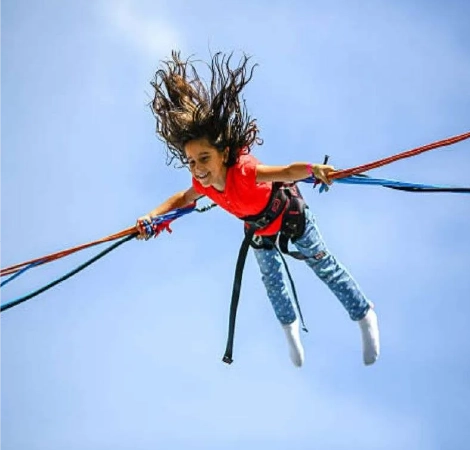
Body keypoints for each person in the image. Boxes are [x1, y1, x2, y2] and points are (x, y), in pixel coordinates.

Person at [136, 51, 380, 367]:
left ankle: (364, 315)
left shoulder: (245, 171)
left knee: (325, 268)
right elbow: (180, 200)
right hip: (260, 231)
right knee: (273, 286)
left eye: (204, 159)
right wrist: (152, 219)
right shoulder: (205, 185)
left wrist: (313, 169)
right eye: (192, 162)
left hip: (292, 218)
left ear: (223, 152)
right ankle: (292, 335)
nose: (197, 169)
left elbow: (288, 171)